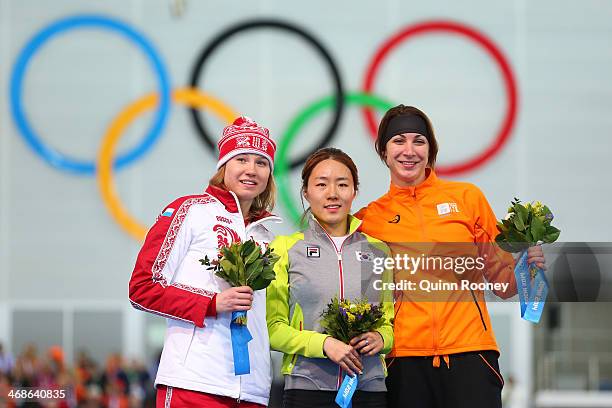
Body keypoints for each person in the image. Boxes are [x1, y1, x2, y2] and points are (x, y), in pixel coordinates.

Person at [355, 105, 546, 408]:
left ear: (430, 150)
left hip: (470, 352)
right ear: (383, 151)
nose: (409, 150)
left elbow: (504, 284)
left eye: (419, 141)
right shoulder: (369, 219)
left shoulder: (467, 198)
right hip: (403, 359)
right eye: (398, 141)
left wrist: (529, 267)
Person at [129, 117, 281, 407]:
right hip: (193, 382)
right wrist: (212, 303)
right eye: (241, 159)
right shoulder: (189, 211)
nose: (251, 170)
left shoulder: (267, 237)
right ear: (223, 166)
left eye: (261, 163)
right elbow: (142, 288)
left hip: (253, 390)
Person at [267, 148, 394, 408]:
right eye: (321, 184)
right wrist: (324, 344)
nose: (332, 193)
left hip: (368, 387)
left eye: (342, 184)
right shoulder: (285, 249)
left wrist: (382, 339)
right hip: (307, 387)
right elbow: (273, 329)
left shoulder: (378, 250)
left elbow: (390, 322)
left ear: (354, 191)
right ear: (306, 192)